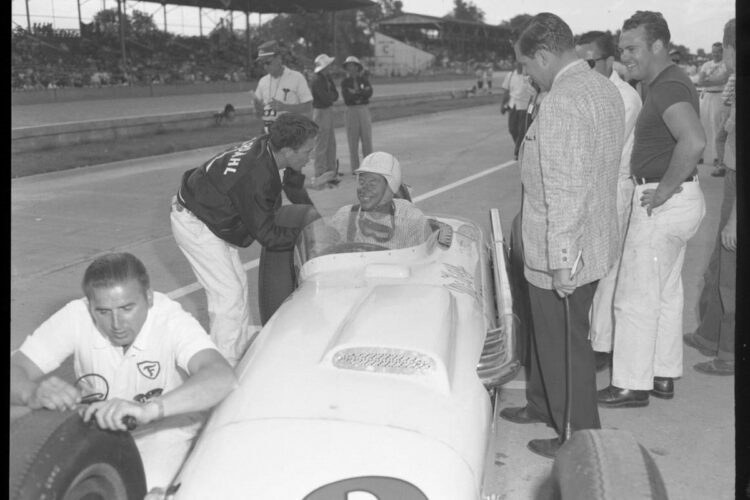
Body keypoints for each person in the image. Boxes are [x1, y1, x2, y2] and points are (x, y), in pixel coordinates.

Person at [499, 13, 625, 459]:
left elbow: (568, 188)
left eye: (527, 66)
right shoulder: (600, 86)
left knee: (568, 345)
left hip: (565, 248)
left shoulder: (564, 100)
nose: (527, 75)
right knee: (549, 337)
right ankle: (542, 403)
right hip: (585, 237)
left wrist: (561, 259)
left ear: (545, 55)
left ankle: (577, 434)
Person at [10, 252, 237, 490]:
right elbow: (17, 369)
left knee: (143, 488)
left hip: (162, 426)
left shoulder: (170, 320)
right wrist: (32, 392)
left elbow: (221, 376)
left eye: (127, 307)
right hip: (100, 424)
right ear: (89, 305)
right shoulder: (75, 316)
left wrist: (149, 409)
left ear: (148, 298)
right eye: (104, 312)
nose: (117, 324)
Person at [598, 11, 706, 408]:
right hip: (681, 202)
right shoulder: (667, 82)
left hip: (664, 203)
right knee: (664, 294)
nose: (625, 56)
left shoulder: (665, 87)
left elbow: (693, 141)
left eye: (633, 48)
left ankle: (630, 384)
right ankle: (662, 374)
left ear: (658, 45)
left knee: (635, 297)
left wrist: (663, 190)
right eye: (621, 48)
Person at [171, 113, 320, 365]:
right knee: (227, 296)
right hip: (196, 223)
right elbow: (269, 236)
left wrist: (316, 223)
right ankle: (222, 368)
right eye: (307, 151)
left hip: (211, 216)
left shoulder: (270, 148)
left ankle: (236, 350)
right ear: (286, 150)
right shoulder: (255, 176)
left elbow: (293, 186)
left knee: (238, 286)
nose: (311, 156)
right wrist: (308, 236)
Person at [575, 31, 643, 371]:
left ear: (609, 61)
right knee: (588, 268)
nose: (583, 69)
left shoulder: (624, 97)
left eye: (590, 62)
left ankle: (602, 345)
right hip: (591, 189)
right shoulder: (591, 91)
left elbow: (601, 149)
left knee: (607, 270)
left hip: (612, 189)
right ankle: (592, 338)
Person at [684, 18, 736, 376]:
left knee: (731, 273)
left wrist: (735, 218)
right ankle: (710, 333)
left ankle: (730, 353)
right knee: (719, 265)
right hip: (733, 177)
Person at [328, 152, 432, 250]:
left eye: (372, 184)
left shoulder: (410, 219)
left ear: (391, 186)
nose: (364, 188)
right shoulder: (345, 216)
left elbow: (423, 261)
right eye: (361, 181)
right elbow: (324, 253)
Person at [252, 40, 313, 135]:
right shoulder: (262, 81)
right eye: (262, 63)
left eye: (267, 62)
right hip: (268, 132)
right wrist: (257, 110)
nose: (265, 67)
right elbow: (258, 114)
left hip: (291, 132)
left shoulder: (296, 77)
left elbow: (308, 107)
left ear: (279, 59)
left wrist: (285, 107)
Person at [692, 42, 730, 170]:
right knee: (703, 125)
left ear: (722, 52)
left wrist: (708, 81)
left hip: (719, 96)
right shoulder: (706, 64)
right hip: (706, 96)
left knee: (716, 126)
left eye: (718, 51)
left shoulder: (726, 65)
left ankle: (716, 157)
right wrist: (709, 81)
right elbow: (700, 81)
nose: (715, 53)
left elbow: (723, 80)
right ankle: (701, 155)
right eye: (713, 51)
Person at [310, 53, 340, 189]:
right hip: (321, 112)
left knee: (330, 143)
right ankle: (320, 174)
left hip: (327, 111)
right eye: (327, 66)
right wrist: (331, 97)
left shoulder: (326, 78)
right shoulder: (316, 80)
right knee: (321, 144)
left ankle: (330, 171)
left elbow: (335, 95)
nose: (329, 68)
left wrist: (331, 96)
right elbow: (326, 98)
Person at [341, 56, 374, 173]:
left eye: (352, 65)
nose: (350, 68)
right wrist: (360, 94)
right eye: (348, 66)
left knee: (367, 138)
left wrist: (356, 93)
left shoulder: (364, 80)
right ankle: (355, 168)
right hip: (351, 110)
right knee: (352, 140)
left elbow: (369, 92)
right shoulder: (345, 82)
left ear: (357, 67)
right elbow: (347, 97)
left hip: (363, 109)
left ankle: (369, 167)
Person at [500, 60, 537, 160]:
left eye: (522, 63)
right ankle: (521, 146)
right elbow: (506, 91)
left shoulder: (529, 77)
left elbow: (534, 94)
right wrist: (503, 105)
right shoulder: (511, 75)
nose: (520, 65)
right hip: (513, 105)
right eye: (518, 63)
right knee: (512, 129)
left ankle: (518, 152)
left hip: (526, 107)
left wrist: (532, 109)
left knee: (522, 130)